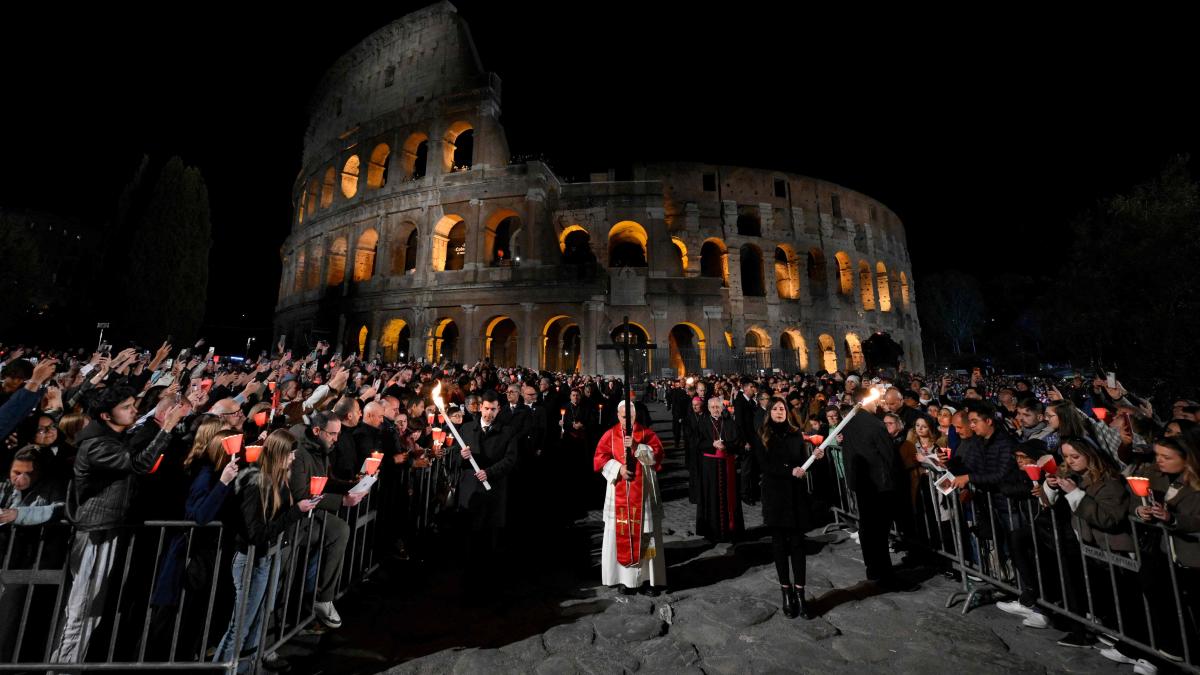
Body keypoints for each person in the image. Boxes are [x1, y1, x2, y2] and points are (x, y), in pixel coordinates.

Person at [52, 386, 189, 664]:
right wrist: (166, 429)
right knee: (81, 608)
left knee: (95, 608)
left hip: (109, 528)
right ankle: (62, 667)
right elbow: (139, 464)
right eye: (126, 407)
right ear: (106, 415)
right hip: (94, 532)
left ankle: (74, 664)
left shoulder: (113, 436)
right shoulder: (98, 445)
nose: (134, 411)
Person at [213, 429, 320, 673]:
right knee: (240, 625)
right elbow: (255, 533)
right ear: (278, 453)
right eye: (289, 454)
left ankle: (243, 669)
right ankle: (223, 669)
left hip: (267, 557)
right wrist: (296, 512)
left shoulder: (277, 479)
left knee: (259, 619)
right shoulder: (256, 481)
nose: (293, 459)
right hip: (252, 559)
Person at [838, 388, 918, 591]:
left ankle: (873, 569)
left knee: (867, 529)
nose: (878, 403)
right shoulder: (875, 425)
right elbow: (889, 457)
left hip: (862, 484)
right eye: (875, 400)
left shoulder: (849, 422)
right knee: (879, 532)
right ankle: (886, 576)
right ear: (866, 401)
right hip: (879, 486)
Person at [754, 397, 824, 619]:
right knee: (779, 546)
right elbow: (763, 465)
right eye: (775, 408)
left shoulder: (795, 433)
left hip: (795, 495)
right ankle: (786, 591)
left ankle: (800, 593)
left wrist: (815, 459)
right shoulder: (763, 434)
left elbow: (803, 462)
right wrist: (788, 471)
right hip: (775, 495)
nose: (779, 412)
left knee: (797, 544)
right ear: (769, 412)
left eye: (782, 408)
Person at [594, 400, 666, 595]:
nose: (627, 419)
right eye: (624, 416)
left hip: (643, 495)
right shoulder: (609, 435)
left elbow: (657, 457)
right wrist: (619, 469)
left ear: (636, 416)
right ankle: (623, 579)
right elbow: (600, 459)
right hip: (619, 490)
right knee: (619, 533)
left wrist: (636, 446)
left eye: (631, 416)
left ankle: (648, 579)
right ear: (618, 415)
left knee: (645, 535)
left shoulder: (646, 433)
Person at [691, 397, 744, 542]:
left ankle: (730, 530)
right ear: (708, 408)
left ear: (722, 407)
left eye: (718, 406)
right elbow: (696, 442)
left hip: (727, 465)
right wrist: (712, 444)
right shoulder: (702, 423)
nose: (715, 409)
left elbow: (738, 441)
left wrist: (726, 445)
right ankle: (712, 531)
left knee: (729, 496)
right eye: (712, 407)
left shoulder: (729, 422)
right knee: (711, 496)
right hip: (709, 467)